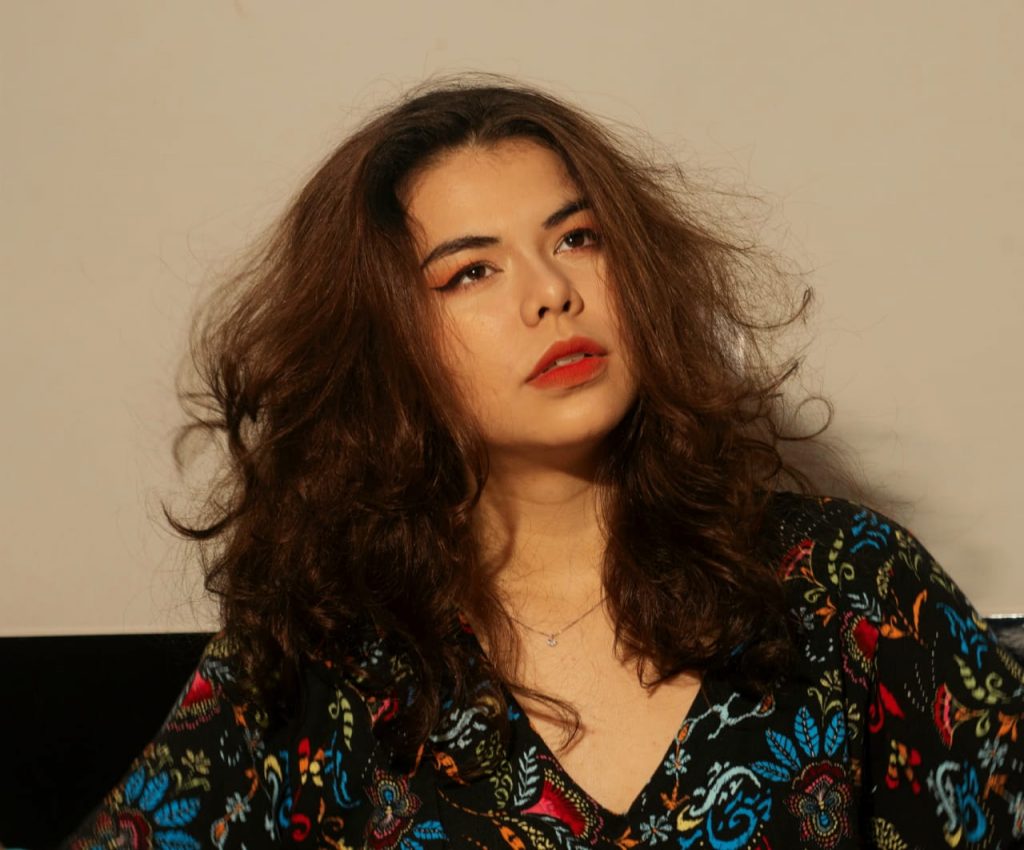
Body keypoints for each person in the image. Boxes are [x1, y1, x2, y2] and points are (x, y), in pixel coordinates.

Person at [62, 77, 1024, 849]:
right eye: (471, 271)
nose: (552, 292)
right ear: (383, 345)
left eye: (578, 237)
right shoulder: (322, 647)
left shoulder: (846, 583)